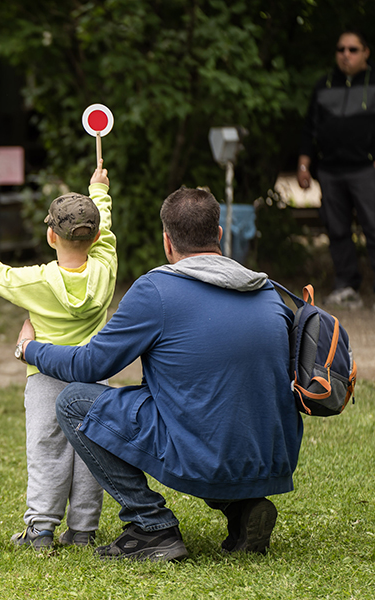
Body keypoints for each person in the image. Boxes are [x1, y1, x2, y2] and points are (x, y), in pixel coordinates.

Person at [16, 187, 304, 561]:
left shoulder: (158, 290)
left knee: (74, 401)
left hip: (204, 451)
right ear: (218, 235)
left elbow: (89, 366)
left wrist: (30, 349)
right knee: (207, 408)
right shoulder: (268, 291)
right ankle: (243, 507)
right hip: (271, 456)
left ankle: (150, 523)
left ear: (167, 242)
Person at [0, 160, 118, 549]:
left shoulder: (36, 280)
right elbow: (108, 235)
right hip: (91, 377)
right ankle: (83, 531)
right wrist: (98, 189)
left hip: (45, 375)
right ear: (96, 235)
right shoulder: (106, 269)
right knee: (90, 451)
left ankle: (41, 529)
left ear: (51, 236)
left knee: (46, 448)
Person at [298, 29, 375, 310]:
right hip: (330, 171)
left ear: (366, 52)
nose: (346, 54)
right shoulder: (325, 85)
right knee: (337, 228)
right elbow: (309, 128)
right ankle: (346, 286)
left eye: (353, 49)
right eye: (341, 49)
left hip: (366, 169)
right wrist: (304, 163)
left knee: (374, 226)